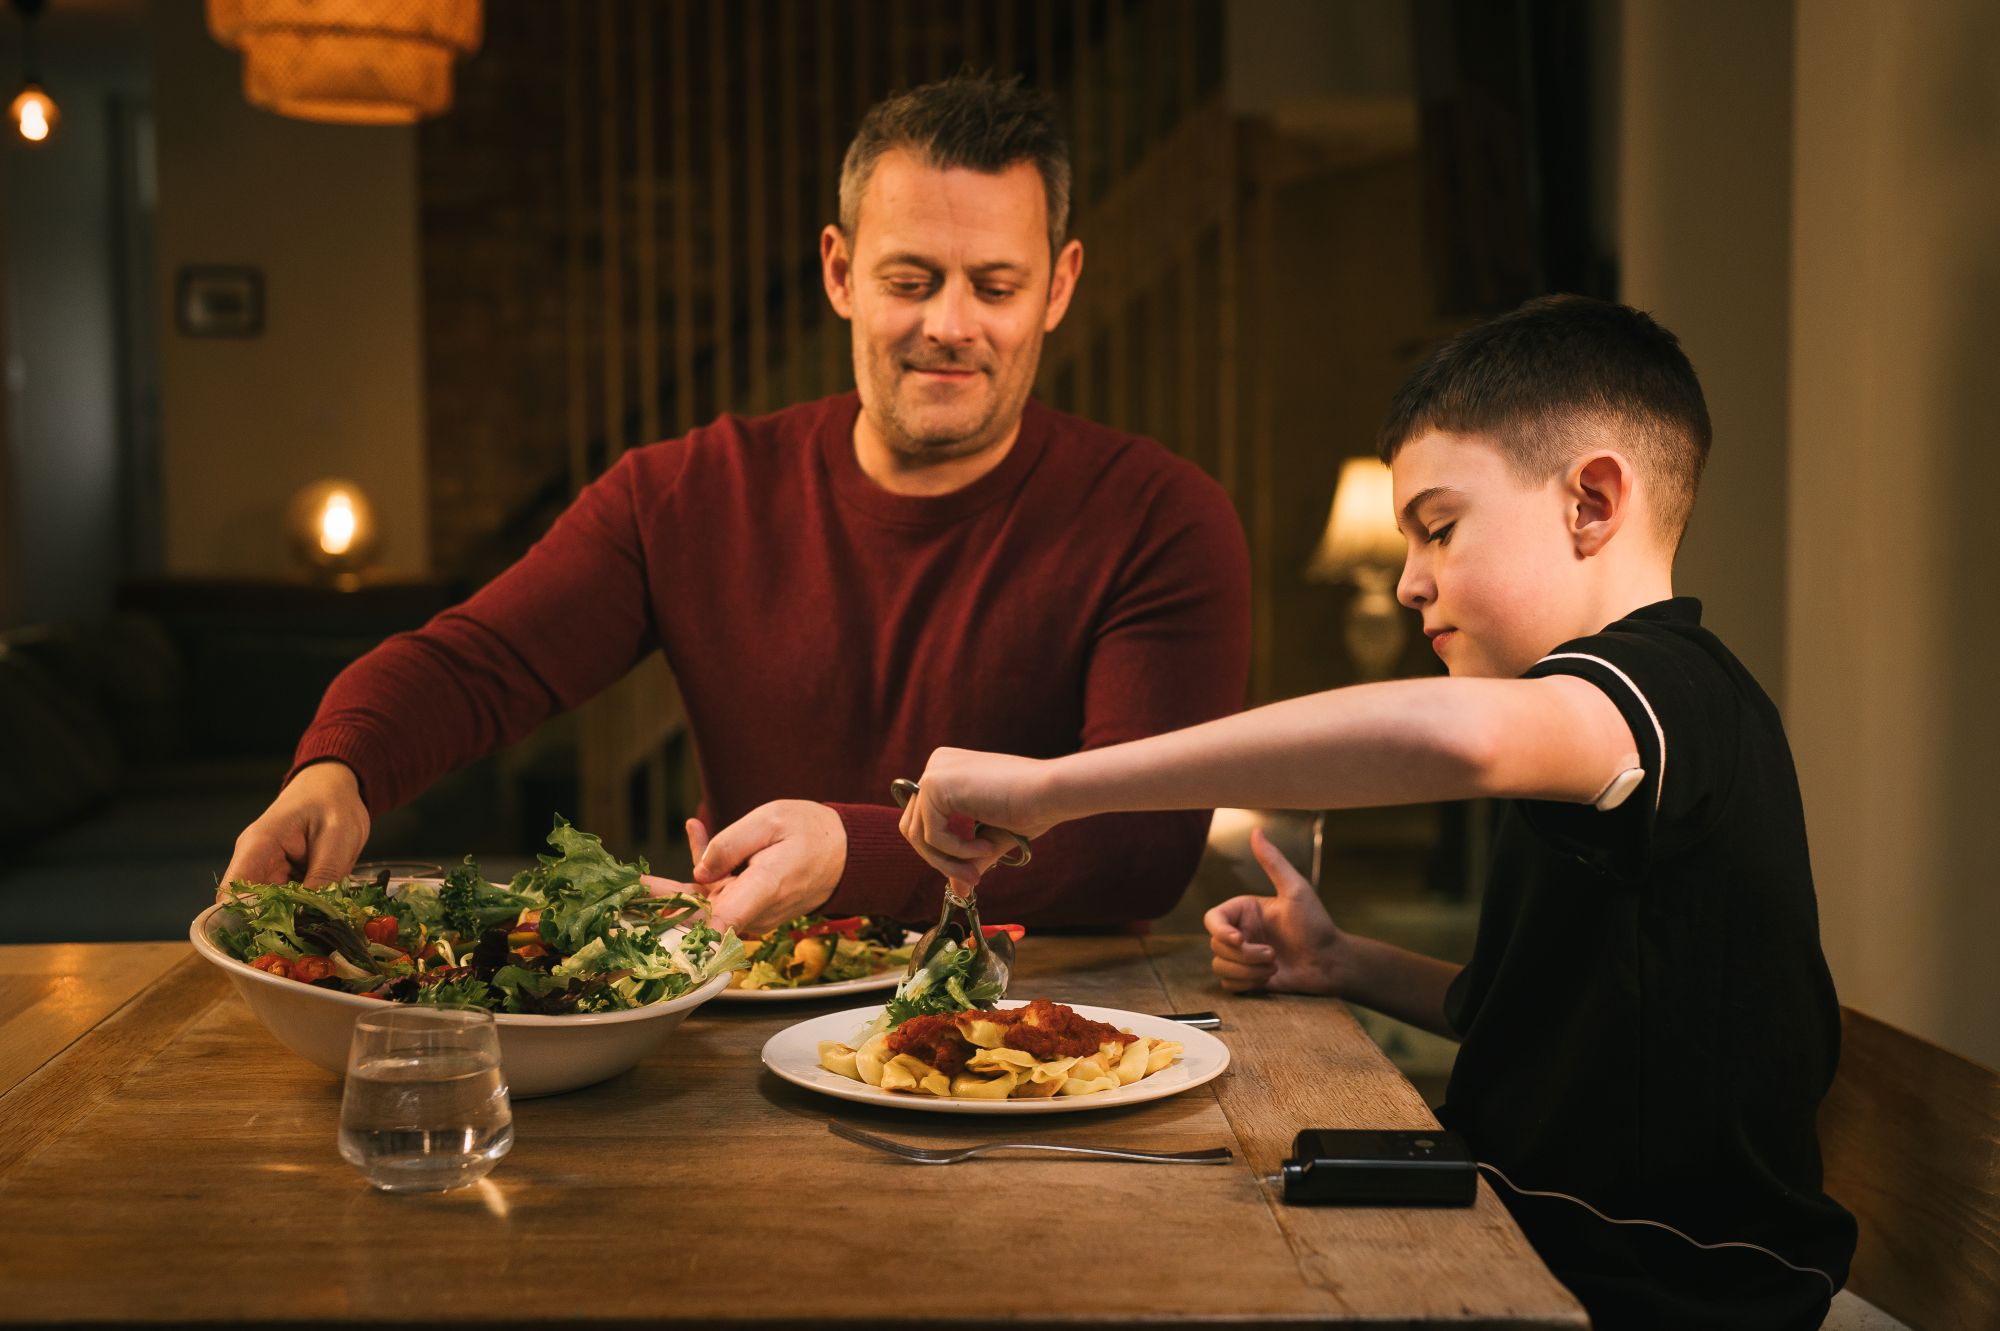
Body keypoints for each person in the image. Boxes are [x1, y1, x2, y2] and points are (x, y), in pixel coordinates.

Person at [899, 295, 1856, 1330]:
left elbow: (1459, 734)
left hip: (1662, 1290)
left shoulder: (1665, 690)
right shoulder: (1598, 746)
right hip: (1516, 1236)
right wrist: (1344, 961)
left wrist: (1050, 788)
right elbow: (1548, 1017)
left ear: (1590, 502)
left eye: (1437, 529)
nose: (1408, 582)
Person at [220, 74, 1250, 933]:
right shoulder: (682, 493)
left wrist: (848, 855)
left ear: (1057, 288)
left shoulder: (1160, 518)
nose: (949, 323)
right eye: (910, 278)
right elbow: (479, 661)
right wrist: (340, 769)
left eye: (993, 284)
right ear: (839, 272)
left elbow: (1133, 847)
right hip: (749, 1019)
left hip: (1053, 1045)